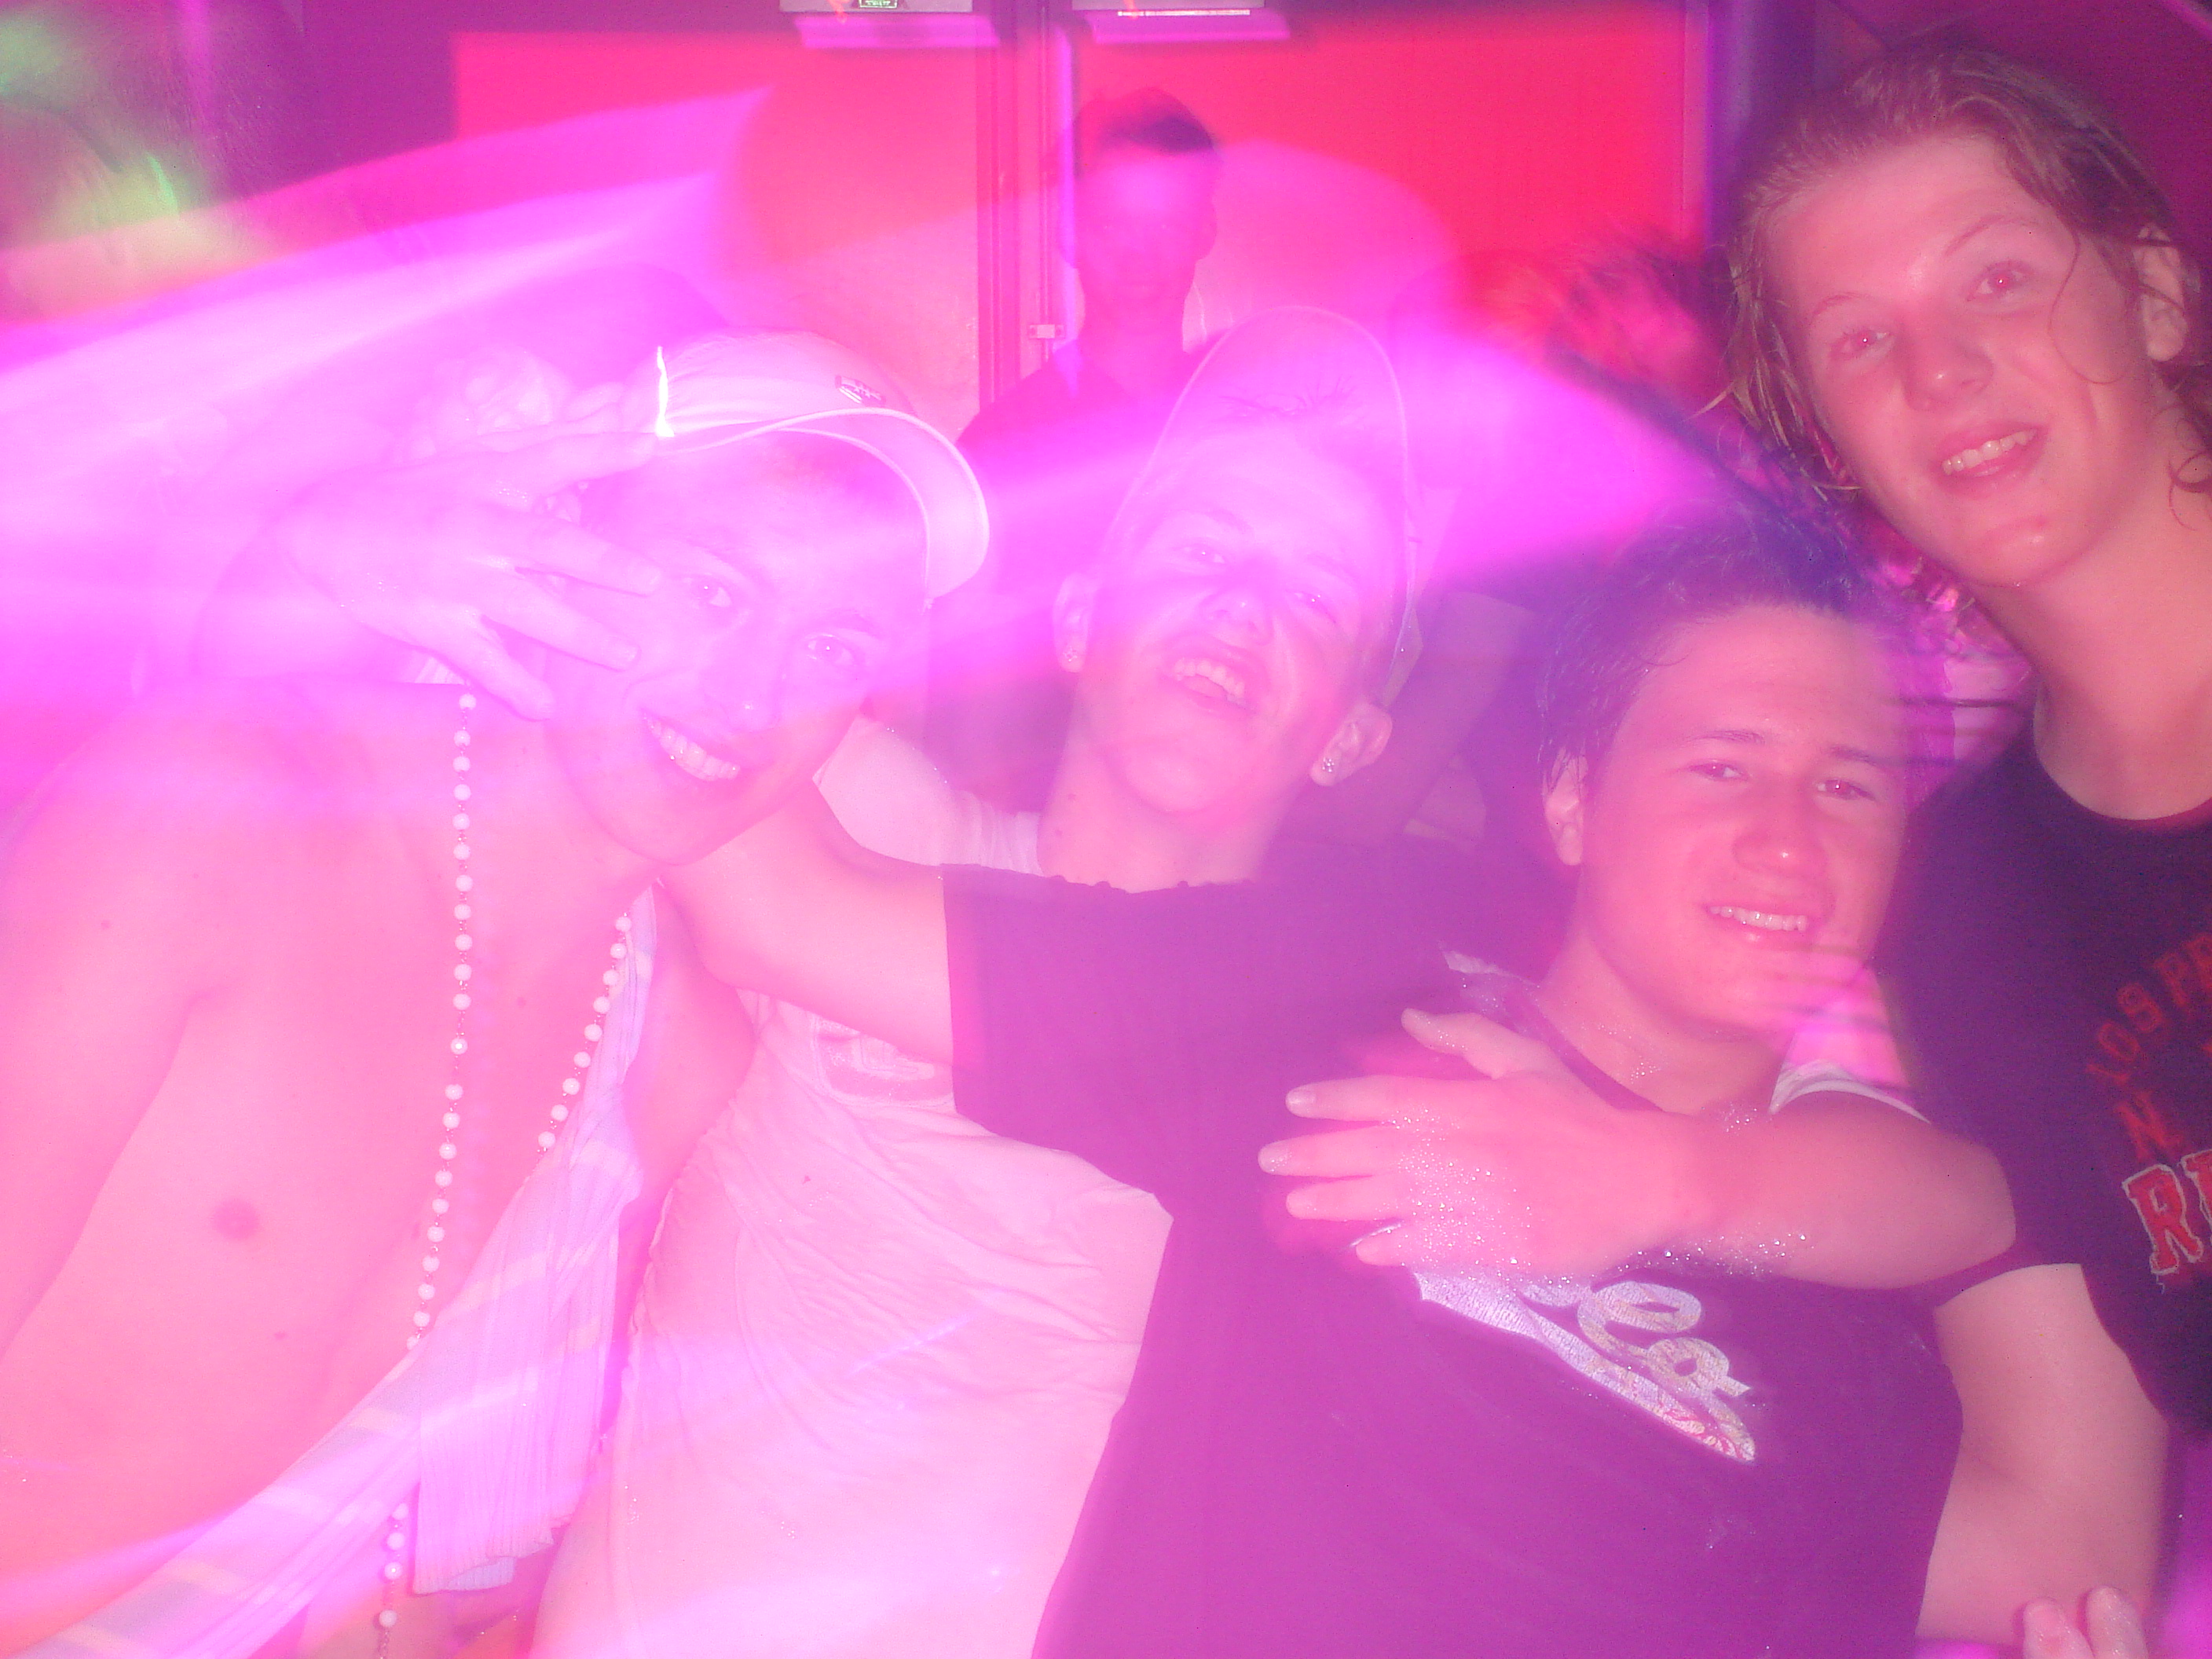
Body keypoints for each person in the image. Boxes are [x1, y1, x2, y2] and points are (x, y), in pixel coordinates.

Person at [663, 313, 2017, 1655]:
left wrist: (1688, 1170)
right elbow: (721, 826)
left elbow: (2019, 1418)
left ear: (1357, 734)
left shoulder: (1347, 991)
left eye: (1320, 599)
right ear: (1076, 613)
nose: (1244, 608)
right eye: (1204, 547)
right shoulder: (922, 841)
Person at [0, 328, 987, 1659]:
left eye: (831, 650)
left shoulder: (675, 1053)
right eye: (713, 591)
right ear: (558, 529)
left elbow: (393, 1538)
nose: (751, 695)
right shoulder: (219, 821)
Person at [1727, 43, 2207, 1641]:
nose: (1939, 373)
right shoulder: (1961, 913)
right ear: (1828, 439)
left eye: (1996, 277)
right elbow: (2067, 1539)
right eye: (1862, 339)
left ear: (2152, 294)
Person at [930, 88, 1221, 810]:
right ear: (1069, 232)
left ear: (1204, 232)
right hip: (1039, 825)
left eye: (1167, 221)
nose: (1139, 250)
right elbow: (965, 698)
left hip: (1213, 813)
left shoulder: (1242, 432)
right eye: (1112, 221)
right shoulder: (1005, 445)